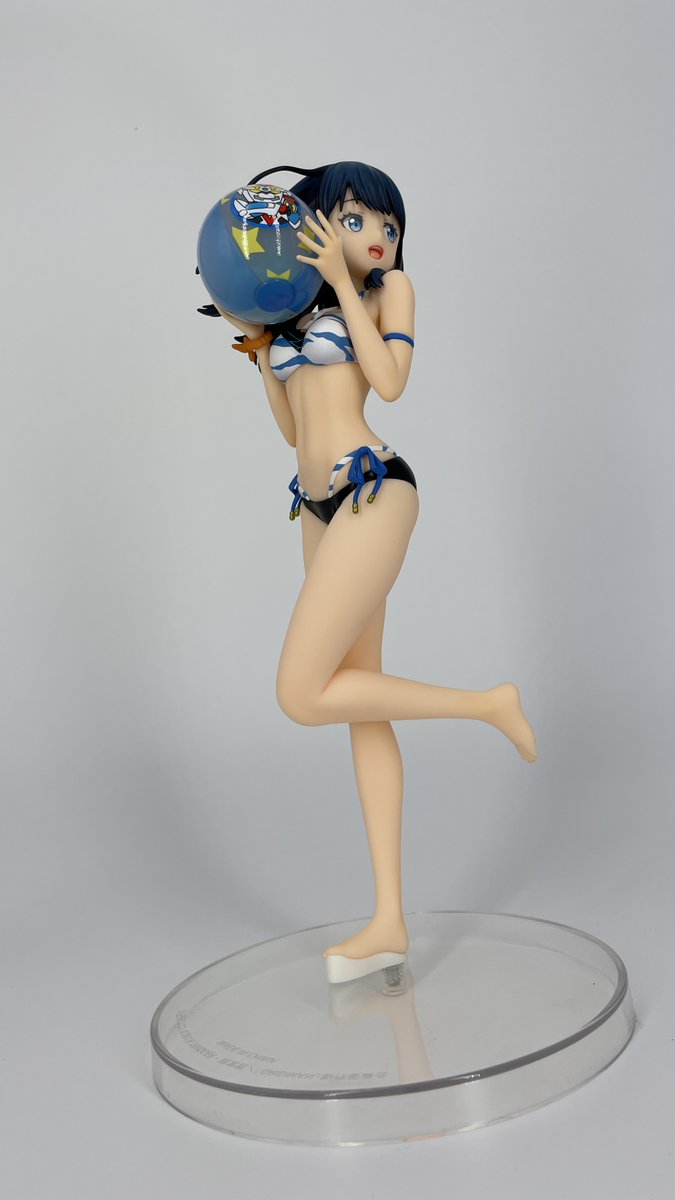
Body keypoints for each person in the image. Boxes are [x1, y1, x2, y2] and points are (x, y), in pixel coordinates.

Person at [204, 161, 539, 983]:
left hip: (373, 489)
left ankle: (486, 704)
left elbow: (388, 383)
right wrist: (260, 350)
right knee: (359, 699)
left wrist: (343, 287)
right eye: (354, 219)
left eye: (386, 223)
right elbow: (293, 433)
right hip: (317, 503)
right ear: (315, 221)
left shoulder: (391, 293)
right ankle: (388, 921)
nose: (378, 235)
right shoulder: (295, 316)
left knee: (301, 693)